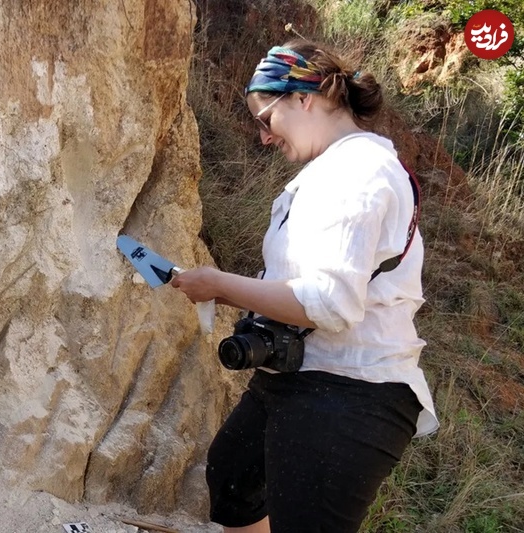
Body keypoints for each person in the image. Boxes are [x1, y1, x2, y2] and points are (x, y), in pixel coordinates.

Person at [170, 40, 439, 533]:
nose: (264, 138)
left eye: (264, 119)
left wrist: (219, 285)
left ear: (303, 98)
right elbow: (303, 284)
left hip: (351, 390)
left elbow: (329, 303)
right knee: (233, 479)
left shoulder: (358, 172)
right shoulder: (332, 170)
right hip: (302, 373)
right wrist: (225, 289)